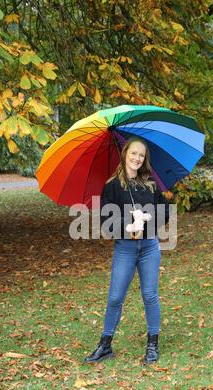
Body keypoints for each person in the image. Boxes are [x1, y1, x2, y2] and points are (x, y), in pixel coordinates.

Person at [84, 136, 170, 364]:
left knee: (150, 295)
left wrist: (148, 218)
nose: (137, 158)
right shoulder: (112, 186)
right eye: (133, 153)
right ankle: (105, 346)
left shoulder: (150, 184)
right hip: (125, 248)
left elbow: (166, 212)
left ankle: (152, 345)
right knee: (115, 298)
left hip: (149, 247)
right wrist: (128, 225)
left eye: (141, 155)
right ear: (125, 154)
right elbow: (105, 221)